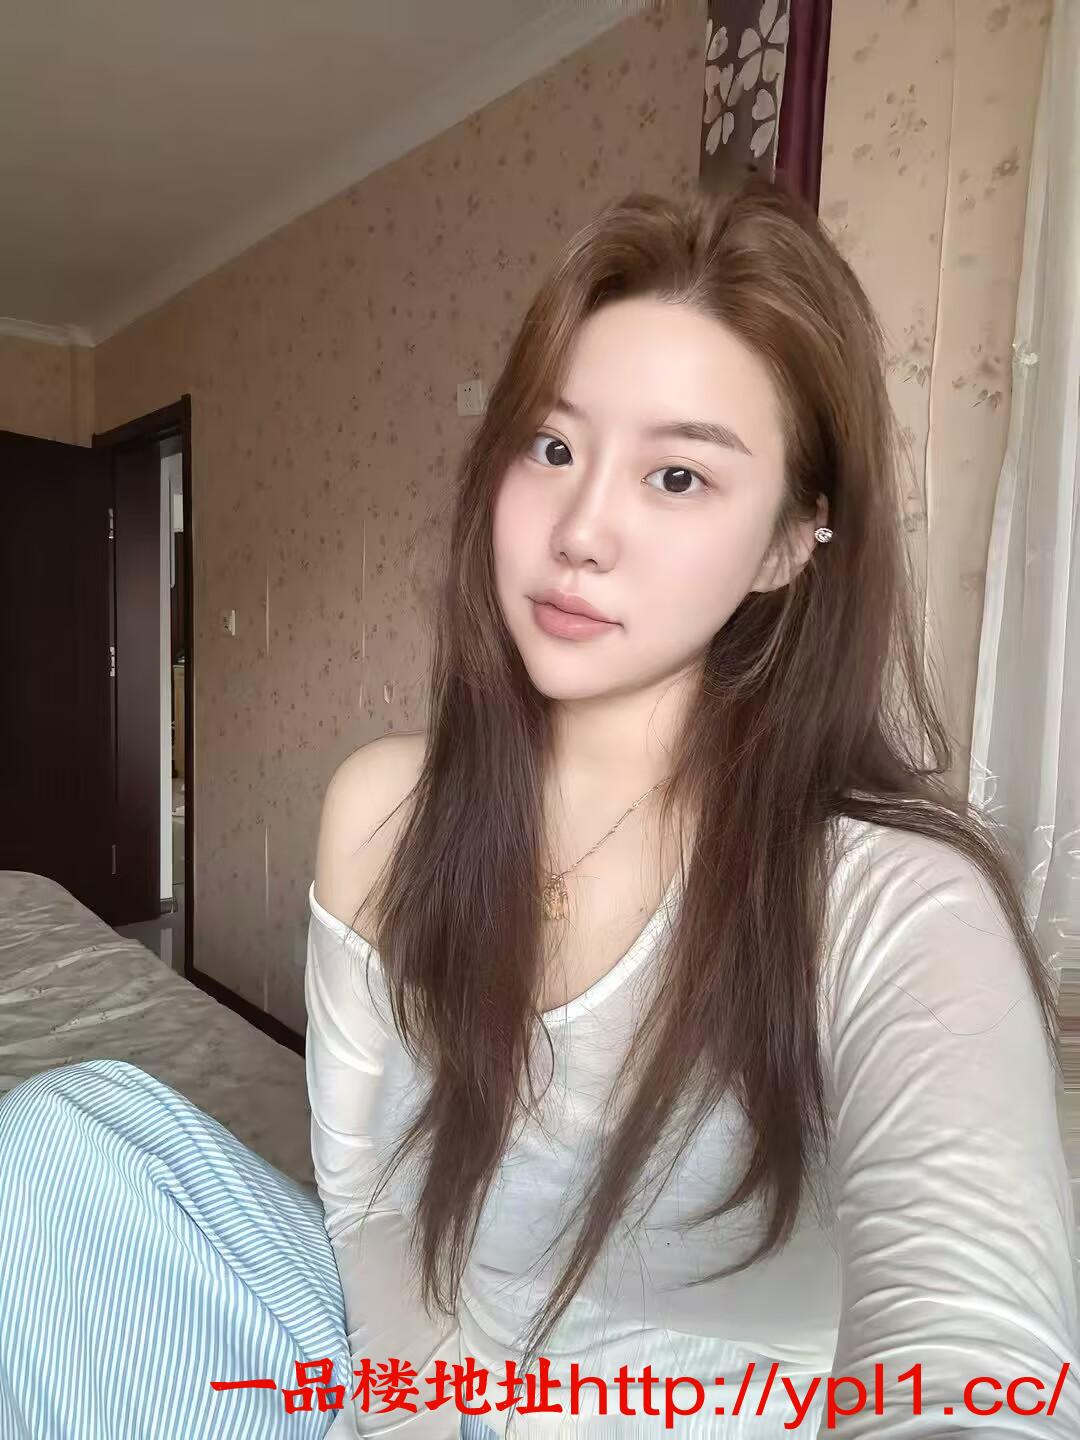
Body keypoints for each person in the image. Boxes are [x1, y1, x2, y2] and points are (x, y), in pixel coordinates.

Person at [1, 175, 1077, 1440]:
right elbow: (375, 1208)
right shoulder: (386, 811)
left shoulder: (889, 896)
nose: (580, 531)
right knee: (58, 1144)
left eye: (678, 476)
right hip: (441, 1374)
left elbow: (977, 1358)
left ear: (792, 542)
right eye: (553, 448)